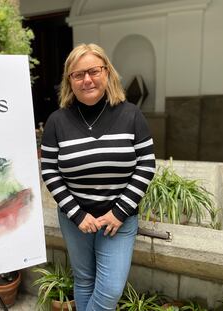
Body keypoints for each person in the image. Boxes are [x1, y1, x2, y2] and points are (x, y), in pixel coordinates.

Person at [40, 43, 155, 310]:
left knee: (110, 289)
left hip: (119, 219)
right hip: (75, 218)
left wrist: (120, 212)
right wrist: (77, 215)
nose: (87, 80)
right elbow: (49, 171)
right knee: (84, 280)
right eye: (78, 74)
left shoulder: (131, 114)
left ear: (107, 72)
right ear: (70, 80)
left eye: (93, 71)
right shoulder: (57, 121)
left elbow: (146, 164)